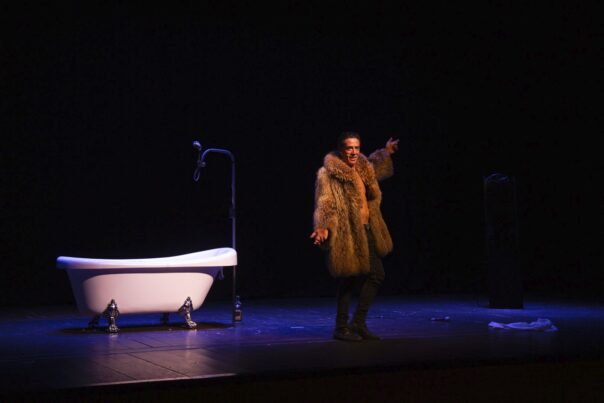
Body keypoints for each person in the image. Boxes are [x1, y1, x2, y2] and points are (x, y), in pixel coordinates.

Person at [311, 132, 399, 341]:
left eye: (357, 148)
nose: (353, 152)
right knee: (349, 279)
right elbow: (324, 201)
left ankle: (358, 323)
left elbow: (375, 167)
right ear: (341, 150)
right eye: (349, 148)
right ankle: (341, 328)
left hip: (368, 228)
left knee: (376, 275)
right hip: (348, 232)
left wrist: (386, 152)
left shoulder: (363, 166)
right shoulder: (329, 173)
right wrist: (322, 227)